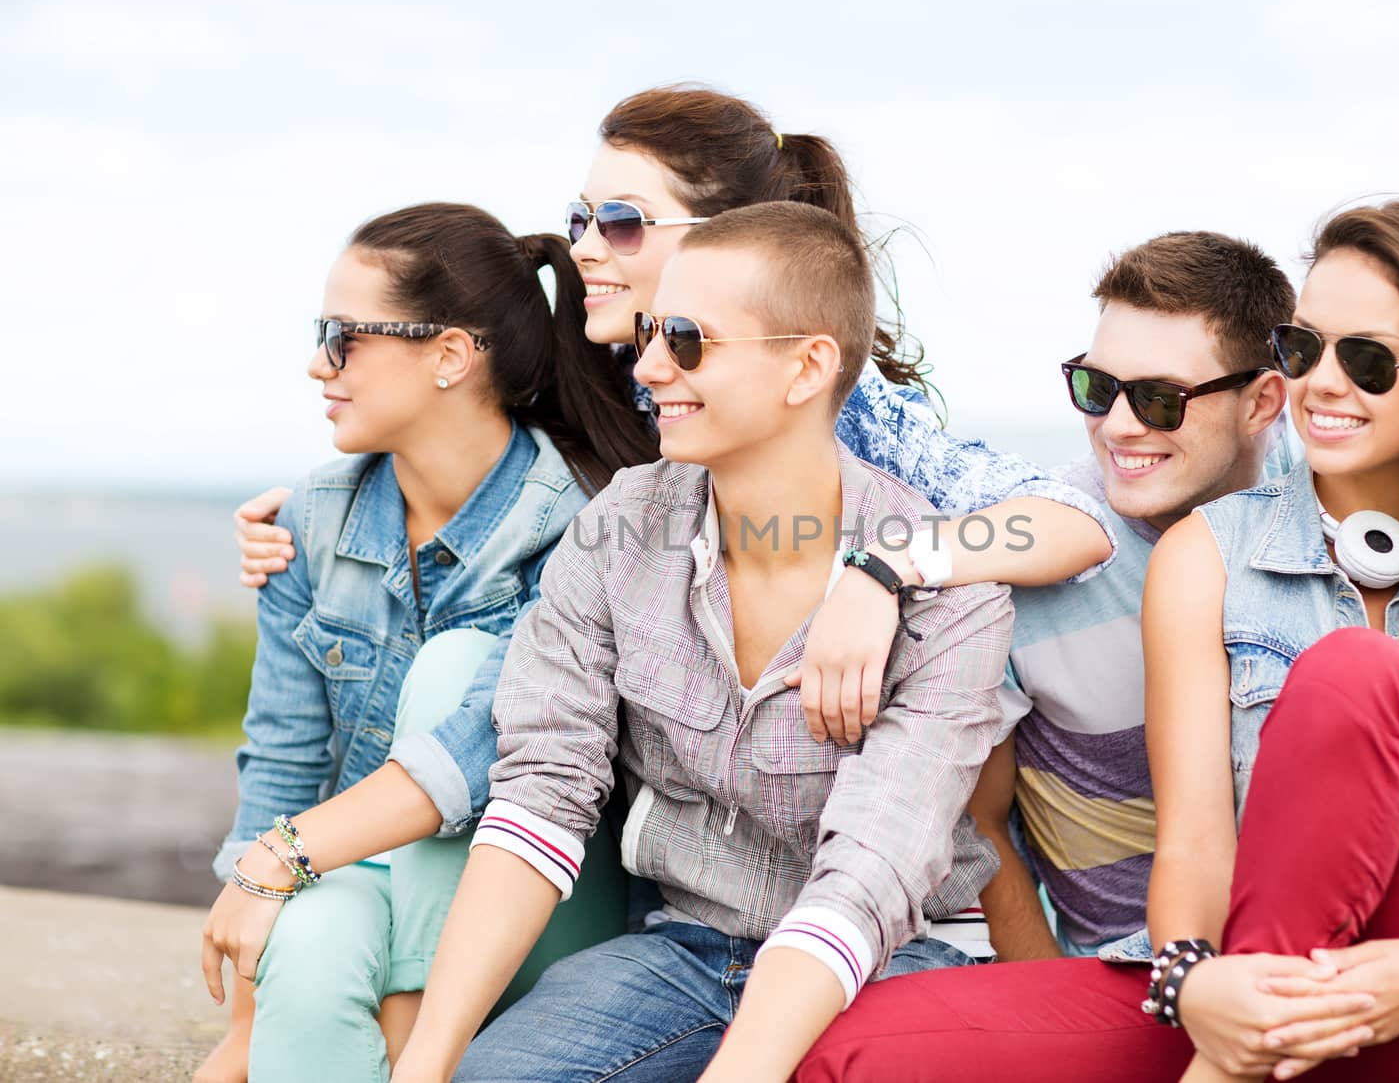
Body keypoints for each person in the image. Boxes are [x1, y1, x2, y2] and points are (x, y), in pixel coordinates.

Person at [794, 210, 1399, 1081]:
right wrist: (1193, 979)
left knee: (1359, 670)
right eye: (1303, 350)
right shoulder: (1205, 553)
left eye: (1365, 362)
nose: (1323, 384)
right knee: (849, 1046)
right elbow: (1194, 843)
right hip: (1239, 977)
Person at [232, 86, 1118, 754]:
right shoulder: (594, 366)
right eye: (581, 217)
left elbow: (1070, 524)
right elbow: (449, 461)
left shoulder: (832, 401)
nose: (583, 246)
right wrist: (299, 531)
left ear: (729, 237)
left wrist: (883, 567)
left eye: (621, 223)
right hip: (607, 766)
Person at [388, 201, 1018, 1083]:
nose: (647, 366)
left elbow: (872, 870)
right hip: (687, 952)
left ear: (807, 365)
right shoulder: (618, 529)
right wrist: (428, 1064)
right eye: (649, 331)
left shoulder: (952, 592)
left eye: (685, 338)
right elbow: (541, 791)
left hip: (882, 961)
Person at [195, 203, 658, 1083]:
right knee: (316, 947)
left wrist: (286, 875)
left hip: (539, 901)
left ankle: (418, 1039)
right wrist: (245, 1024)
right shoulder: (311, 520)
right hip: (365, 874)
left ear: (450, 355)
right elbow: (285, 763)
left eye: (343, 337)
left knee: (454, 675)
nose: (317, 363)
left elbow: (474, 751)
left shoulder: (580, 528)